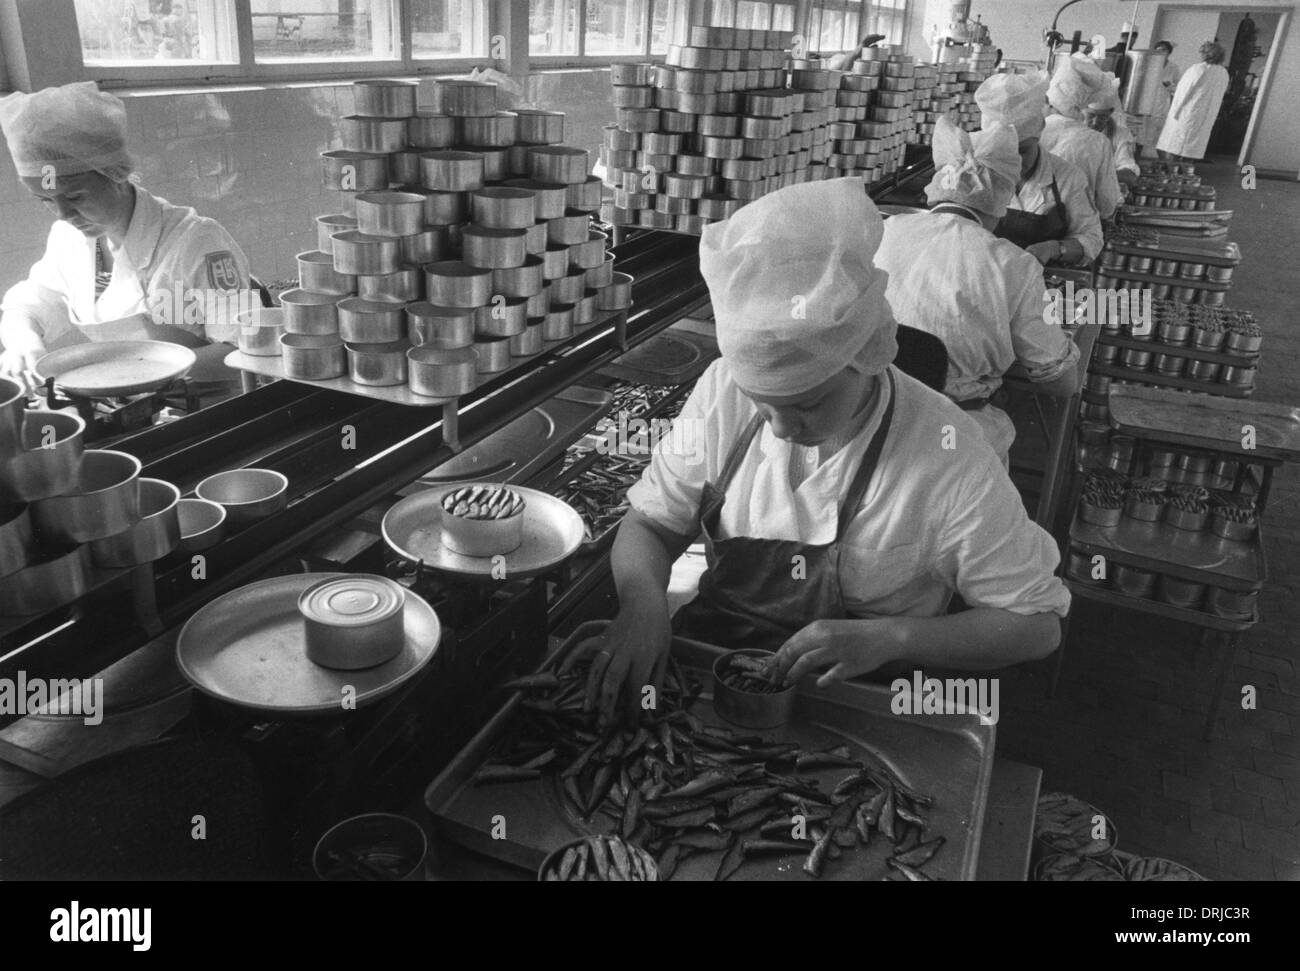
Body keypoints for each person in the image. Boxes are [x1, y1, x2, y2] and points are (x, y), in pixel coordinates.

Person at [564, 179, 1071, 722]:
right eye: (763, 405)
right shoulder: (723, 391)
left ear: (865, 357)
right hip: (711, 666)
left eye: (807, 405)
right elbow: (652, 525)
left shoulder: (948, 454)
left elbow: (1035, 625)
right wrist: (643, 605)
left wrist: (891, 637)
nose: (780, 430)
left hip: (855, 696)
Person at [0, 82, 251, 387]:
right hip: (120, 406)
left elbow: (242, 351)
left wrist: (131, 373)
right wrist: (22, 341)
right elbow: (27, 306)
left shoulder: (196, 241)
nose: (63, 215)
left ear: (114, 174)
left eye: (75, 197)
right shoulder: (67, 239)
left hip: (203, 407)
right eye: (47, 201)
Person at [875, 118, 1080, 461]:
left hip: (872, 419)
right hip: (949, 435)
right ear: (1002, 196)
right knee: (974, 494)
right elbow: (1061, 381)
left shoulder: (884, 231)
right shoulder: (1013, 265)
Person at [975, 72, 1103, 265]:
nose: (1014, 162)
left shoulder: (1067, 178)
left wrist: (1055, 248)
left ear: (1037, 137)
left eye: (1022, 151)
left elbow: (1091, 239)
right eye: (1003, 152)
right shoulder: (976, 172)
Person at [1041, 54, 1124, 219]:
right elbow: (1107, 205)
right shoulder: (1097, 142)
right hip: (1074, 228)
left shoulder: (1033, 131)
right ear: (1083, 106)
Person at [1157, 41, 1230, 162]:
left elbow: (1183, 91)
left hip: (1187, 113)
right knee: (1191, 149)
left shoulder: (1198, 69)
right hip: (1205, 116)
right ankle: (1184, 173)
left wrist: (1175, 110)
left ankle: (1170, 172)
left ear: (1207, 54)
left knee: (1175, 145)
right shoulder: (1223, 73)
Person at [1084, 82, 1140, 187]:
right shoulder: (1072, 132)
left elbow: (1130, 173)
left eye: (1102, 117)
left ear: (1110, 113)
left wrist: (1096, 176)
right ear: (1083, 110)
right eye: (1091, 115)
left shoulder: (1121, 135)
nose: (1095, 122)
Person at [1138, 40, 1179, 159]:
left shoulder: (1174, 68)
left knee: (1160, 134)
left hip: (1162, 103)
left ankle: (1162, 162)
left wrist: (1170, 86)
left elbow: (1178, 88)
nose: (1161, 52)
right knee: (1142, 132)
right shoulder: (1149, 64)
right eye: (1159, 50)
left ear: (1169, 52)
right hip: (1147, 102)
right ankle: (1138, 160)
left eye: (1164, 50)